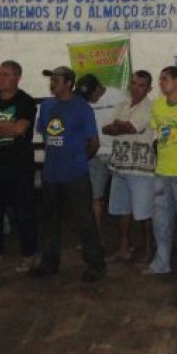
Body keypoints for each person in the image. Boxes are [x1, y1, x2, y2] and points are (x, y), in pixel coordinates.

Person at [31, 66, 106, 282]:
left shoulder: (82, 109)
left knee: (85, 221)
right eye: (51, 80)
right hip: (51, 174)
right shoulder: (46, 106)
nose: (52, 83)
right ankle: (49, 262)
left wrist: (79, 160)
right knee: (49, 220)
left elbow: (94, 143)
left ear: (68, 83)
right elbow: (46, 134)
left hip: (76, 175)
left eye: (56, 80)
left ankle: (95, 265)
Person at [0, 60, 38, 271]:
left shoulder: (25, 101)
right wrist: (5, 127)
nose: (0, 78)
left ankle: (29, 254)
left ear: (17, 77)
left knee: (23, 212)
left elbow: (20, 129)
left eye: (5, 74)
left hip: (18, 166)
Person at [146, 66, 177, 279]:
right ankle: (161, 262)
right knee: (160, 220)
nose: (161, 82)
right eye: (160, 79)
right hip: (162, 171)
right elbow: (157, 134)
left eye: (165, 78)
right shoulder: (157, 106)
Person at [105, 70, 156, 263]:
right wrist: (120, 125)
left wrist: (119, 126)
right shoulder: (122, 105)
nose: (136, 87)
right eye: (133, 83)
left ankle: (149, 251)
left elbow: (132, 128)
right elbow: (107, 129)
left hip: (140, 168)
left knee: (144, 213)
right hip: (119, 165)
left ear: (149, 89)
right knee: (120, 210)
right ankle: (123, 247)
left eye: (141, 85)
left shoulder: (150, 107)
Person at [76, 74, 128, 228]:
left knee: (123, 199)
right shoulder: (84, 102)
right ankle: (96, 239)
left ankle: (123, 242)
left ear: (99, 88)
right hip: (95, 154)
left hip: (118, 153)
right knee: (94, 198)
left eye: (91, 95)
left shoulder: (119, 96)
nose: (89, 99)